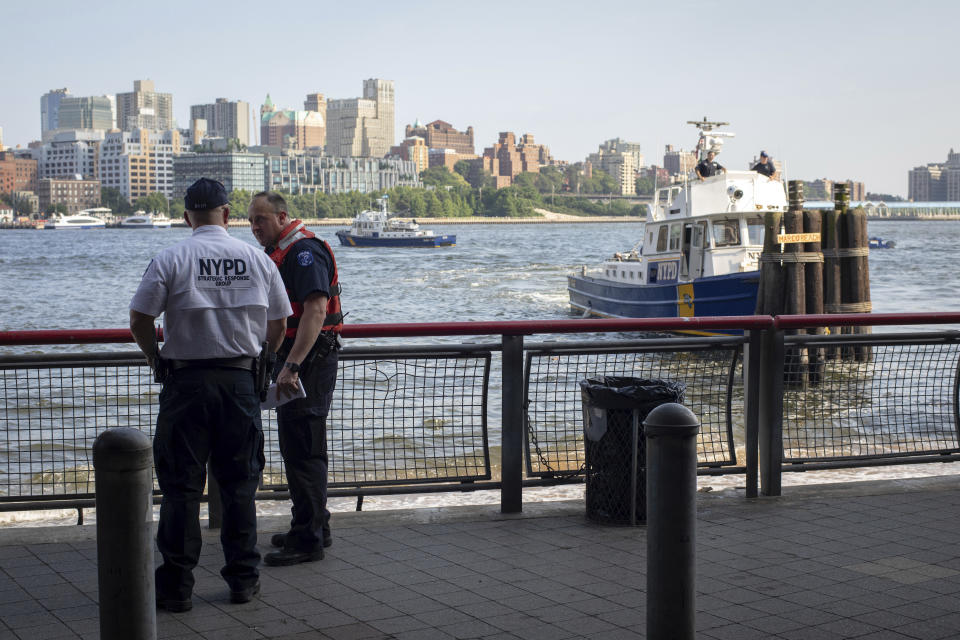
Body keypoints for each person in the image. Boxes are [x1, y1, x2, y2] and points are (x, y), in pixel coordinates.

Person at [129, 178, 291, 612]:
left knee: (181, 488)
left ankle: (177, 586)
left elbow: (139, 317)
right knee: (239, 486)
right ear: (226, 213)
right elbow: (279, 324)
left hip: (185, 385)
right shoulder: (256, 260)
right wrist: (267, 359)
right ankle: (242, 579)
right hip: (240, 384)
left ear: (187, 217)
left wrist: (155, 357)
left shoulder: (170, 258)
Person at [247, 191, 343, 567]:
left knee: (303, 447)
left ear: (282, 217)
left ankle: (308, 539)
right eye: (251, 220)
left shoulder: (303, 252)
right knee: (299, 444)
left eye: (261, 220)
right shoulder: (287, 250)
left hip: (309, 363)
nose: (254, 227)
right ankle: (316, 524)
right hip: (302, 360)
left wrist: (292, 366)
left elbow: (316, 311)